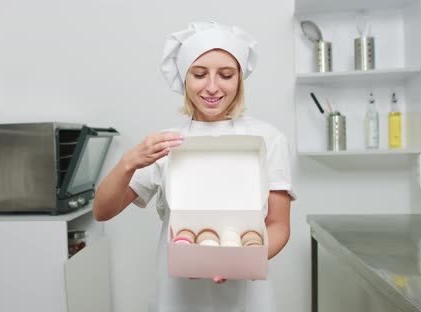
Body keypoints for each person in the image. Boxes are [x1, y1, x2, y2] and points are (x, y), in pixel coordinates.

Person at [93, 21, 296, 312]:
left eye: (225, 75)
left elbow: (278, 225)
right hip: (177, 296)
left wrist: (240, 262)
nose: (212, 86)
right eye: (199, 74)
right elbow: (102, 211)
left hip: (247, 297)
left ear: (239, 79)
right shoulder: (166, 143)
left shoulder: (268, 139)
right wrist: (128, 162)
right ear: (184, 78)